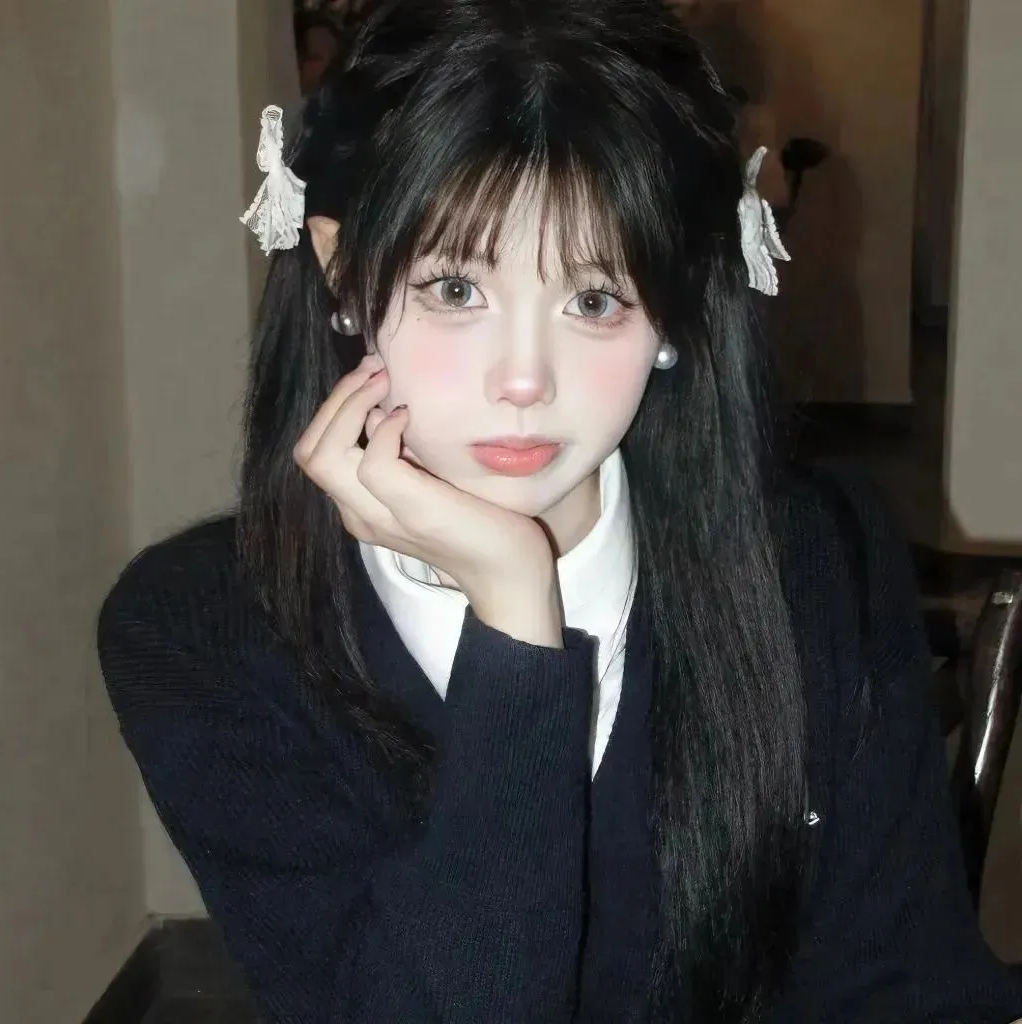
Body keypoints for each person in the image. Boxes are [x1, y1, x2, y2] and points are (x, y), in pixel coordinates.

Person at [97, 0, 1022, 1021]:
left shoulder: (812, 557)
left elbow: (907, 990)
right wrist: (514, 615)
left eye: (594, 300)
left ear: (671, 305)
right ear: (342, 269)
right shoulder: (202, 626)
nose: (525, 381)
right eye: (456, 289)